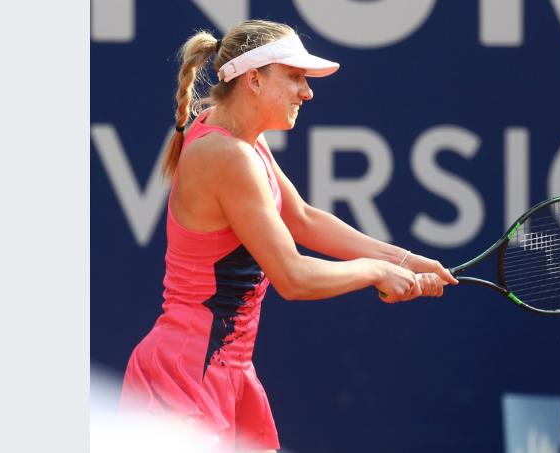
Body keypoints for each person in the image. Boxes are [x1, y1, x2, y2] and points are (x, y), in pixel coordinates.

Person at [119, 19, 458, 452]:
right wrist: (375, 271)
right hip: (185, 378)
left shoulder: (236, 135)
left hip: (224, 372)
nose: (307, 92)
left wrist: (405, 260)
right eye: (295, 77)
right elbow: (292, 277)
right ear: (254, 80)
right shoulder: (228, 155)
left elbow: (302, 219)